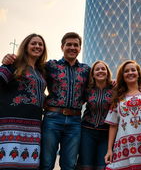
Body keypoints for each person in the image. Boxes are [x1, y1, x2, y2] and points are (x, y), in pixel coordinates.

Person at [40, 32, 90, 170]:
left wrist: (114, 83)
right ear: (62, 47)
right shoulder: (51, 65)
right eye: (69, 44)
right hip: (52, 119)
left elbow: (95, 88)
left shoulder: (86, 70)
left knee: (69, 164)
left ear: (80, 48)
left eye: (76, 45)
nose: (72, 47)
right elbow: (32, 75)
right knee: (47, 162)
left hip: (75, 121)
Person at [0, 33, 47, 169]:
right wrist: (4, 62)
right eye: (33, 43)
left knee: (29, 165)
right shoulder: (14, 64)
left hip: (33, 126)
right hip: (11, 125)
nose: (37, 46)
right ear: (25, 46)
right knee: (9, 164)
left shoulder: (40, 71)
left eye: (40, 44)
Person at [76, 60, 113, 170]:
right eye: (97, 69)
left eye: (103, 69)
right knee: (86, 165)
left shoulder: (115, 89)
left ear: (107, 72)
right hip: (87, 131)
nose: (100, 71)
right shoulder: (87, 89)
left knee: (103, 166)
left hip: (106, 133)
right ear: (92, 74)